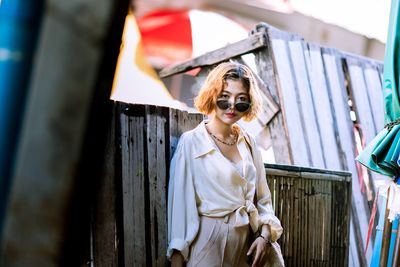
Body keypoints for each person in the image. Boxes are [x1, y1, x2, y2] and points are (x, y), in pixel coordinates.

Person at [167, 62, 283, 267]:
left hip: (246, 247)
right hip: (208, 243)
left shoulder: (248, 142)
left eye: (241, 100)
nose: (231, 105)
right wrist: (177, 259)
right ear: (212, 94)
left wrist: (264, 237)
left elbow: (264, 199)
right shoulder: (192, 142)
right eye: (224, 96)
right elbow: (180, 210)